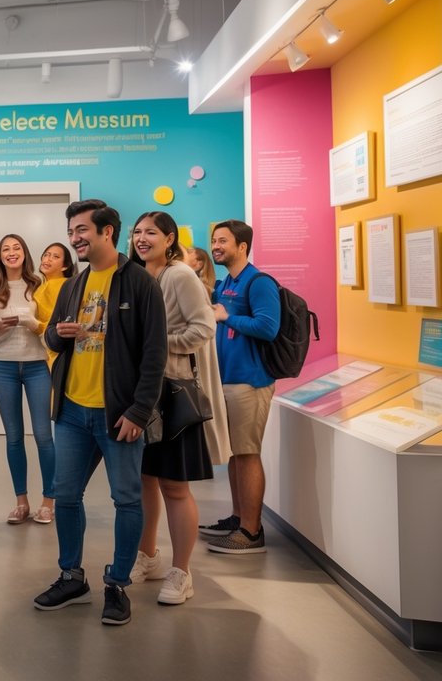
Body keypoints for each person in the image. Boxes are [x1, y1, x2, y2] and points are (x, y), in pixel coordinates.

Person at [33, 199, 166, 626]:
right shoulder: (73, 285)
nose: (75, 238)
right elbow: (51, 340)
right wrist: (59, 334)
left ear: (107, 232)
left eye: (82, 230)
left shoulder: (140, 284)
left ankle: (118, 584)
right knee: (65, 496)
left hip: (118, 414)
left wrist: (140, 410)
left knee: (126, 499)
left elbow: (155, 354)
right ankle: (71, 577)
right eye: (71, 231)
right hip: (72, 411)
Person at [127, 211, 230, 605]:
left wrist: (157, 344)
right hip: (139, 395)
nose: (141, 238)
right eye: (137, 232)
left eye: (151, 232)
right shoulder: (134, 276)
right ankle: (148, 556)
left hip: (172, 392)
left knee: (174, 485)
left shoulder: (180, 275)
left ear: (169, 239)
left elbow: (203, 329)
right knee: (143, 480)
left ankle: (182, 571)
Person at [202, 219, 280, 555]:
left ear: (242, 246)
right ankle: (238, 519)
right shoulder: (227, 284)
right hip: (227, 380)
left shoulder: (258, 282)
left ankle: (251, 531)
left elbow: (268, 327)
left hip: (250, 382)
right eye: (214, 241)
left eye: (223, 241)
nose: (215, 246)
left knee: (247, 454)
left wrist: (226, 317)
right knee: (234, 454)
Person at [0, 234, 55, 525]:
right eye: (5, 249)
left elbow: (48, 325)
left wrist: (29, 322)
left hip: (37, 365)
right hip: (3, 368)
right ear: (0, 256)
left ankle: (48, 501)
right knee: (13, 437)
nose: (11, 253)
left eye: (16, 248)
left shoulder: (39, 285)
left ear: (25, 253)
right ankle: (21, 502)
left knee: (43, 435)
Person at [33, 242, 74, 363]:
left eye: (55, 257)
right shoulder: (43, 286)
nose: (48, 259)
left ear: (64, 266)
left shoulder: (57, 285)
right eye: (46, 255)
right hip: (51, 348)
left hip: (53, 350)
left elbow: (53, 319)